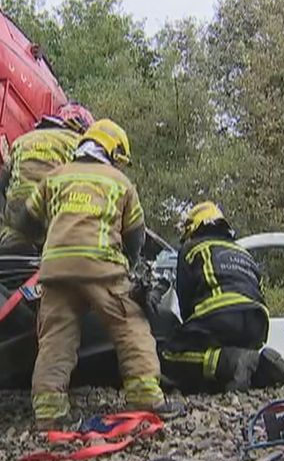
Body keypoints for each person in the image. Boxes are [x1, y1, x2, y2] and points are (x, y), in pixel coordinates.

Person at [17, 119, 182, 429]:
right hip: (102, 267)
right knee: (130, 325)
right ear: (113, 151)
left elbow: (25, 222)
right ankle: (146, 396)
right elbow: (136, 236)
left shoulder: (54, 178)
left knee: (55, 339)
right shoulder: (120, 182)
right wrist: (130, 267)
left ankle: (50, 412)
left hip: (55, 270)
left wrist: (49, 240)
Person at [158, 202, 284, 393]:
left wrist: (187, 335)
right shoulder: (242, 251)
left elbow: (185, 302)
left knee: (169, 354)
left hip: (220, 314)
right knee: (237, 360)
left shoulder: (192, 248)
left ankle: (231, 362)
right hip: (258, 321)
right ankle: (261, 368)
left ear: (194, 227)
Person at [0, 103, 95, 253]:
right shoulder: (78, 143)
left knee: (5, 222)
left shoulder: (22, 140)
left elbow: (0, 185)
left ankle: (13, 245)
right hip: (52, 215)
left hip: (20, 214)